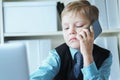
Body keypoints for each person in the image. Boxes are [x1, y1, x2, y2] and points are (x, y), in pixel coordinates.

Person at [30, 0, 112, 80]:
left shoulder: (105, 56)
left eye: (79, 25)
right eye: (66, 28)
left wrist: (87, 55)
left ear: (93, 29)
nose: (71, 31)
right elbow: (40, 75)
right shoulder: (57, 55)